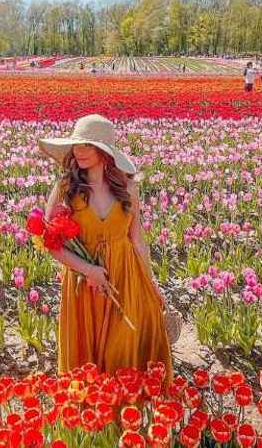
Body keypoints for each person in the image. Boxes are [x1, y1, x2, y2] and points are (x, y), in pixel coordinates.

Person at [37, 114, 172, 384]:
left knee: (123, 345)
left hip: (125, 276)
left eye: (87, 145)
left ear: (105, 152)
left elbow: (137, 239)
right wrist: (89, 269)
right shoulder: (66, 188)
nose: (80, 151)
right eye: (77, 145)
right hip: (83, 284)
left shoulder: (128, 189)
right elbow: (49, 241)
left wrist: (152, 284)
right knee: (88, 357)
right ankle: (93, 416)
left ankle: (125, 410)